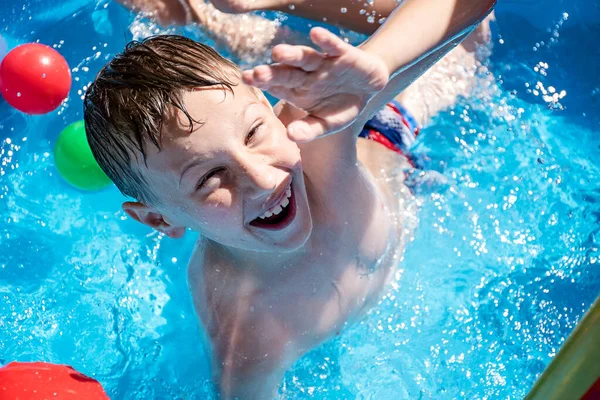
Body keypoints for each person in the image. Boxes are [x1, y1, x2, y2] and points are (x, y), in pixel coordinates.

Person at [84, 0, 496, 398]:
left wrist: (382, 59)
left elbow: (470, 5)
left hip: (385, 136)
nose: (263, 179)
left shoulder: (311, 129)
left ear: (272, 107)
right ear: (159, 220)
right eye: (210, 178)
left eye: (254, 133)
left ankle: (222, 9)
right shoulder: (246, 338)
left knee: (470, 40)